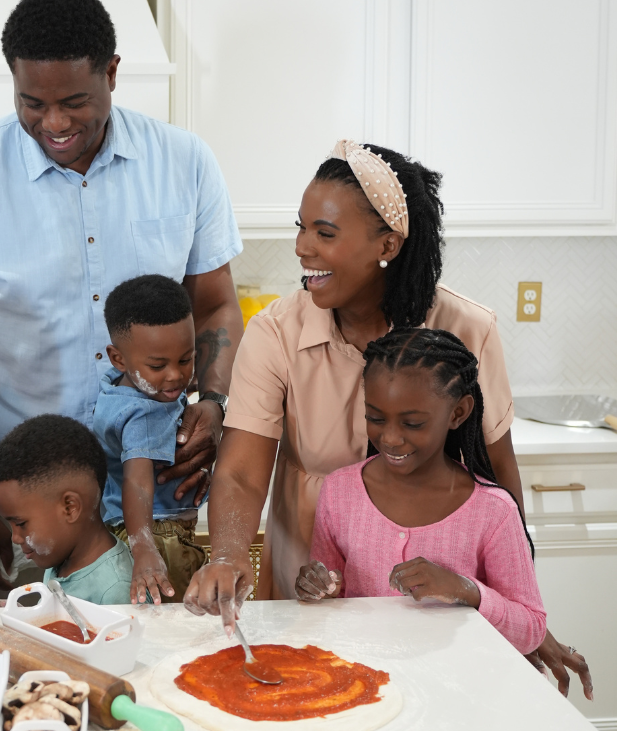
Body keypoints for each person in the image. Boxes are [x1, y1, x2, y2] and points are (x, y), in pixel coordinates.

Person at [185, 140, 592, 698]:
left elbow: (499, 478)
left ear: (388, 244)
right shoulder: (276, 332)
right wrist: (229, 554)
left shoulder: (467, 330)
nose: (302, 248)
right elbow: (240, 472)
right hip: (316, 591)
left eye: (325, 234)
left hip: (440, 616)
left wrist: (519, 615)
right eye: (300, 228)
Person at [0, 0, 244, 592]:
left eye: (75, 102)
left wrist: (214, 403)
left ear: (112, 73)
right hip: (19, 514)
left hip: (155, 503)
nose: (53, 124)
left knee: (161, 675)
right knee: (26, 679)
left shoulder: (185, 163)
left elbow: (215, 304)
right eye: (31, 103)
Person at [296, 328, 546, 654]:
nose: (390, 438)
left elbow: (531, 629)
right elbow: (331, 596)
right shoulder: (339, 492)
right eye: (375, 418)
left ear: (458, 413)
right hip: (368, 678)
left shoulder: (493, 511)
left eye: (412, 423)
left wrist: (464, 589)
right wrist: (319, 590)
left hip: (460, 686)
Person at [94, 274, 205, 604]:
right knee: (180, 632)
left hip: (131, 528)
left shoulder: (118, 385)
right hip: (159, 537)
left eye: (186, 359)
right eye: (158, 365)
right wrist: (144, 547)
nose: (175, 375)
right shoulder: (144, 414)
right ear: (118, 358)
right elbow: (138, 481)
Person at [0, 414, 132, 606]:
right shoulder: (62, 560)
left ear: (70, 508)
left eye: (21, 524)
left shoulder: (116, 590)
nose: (15, 538)